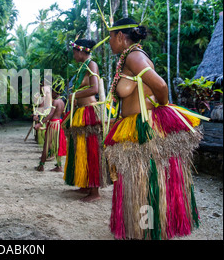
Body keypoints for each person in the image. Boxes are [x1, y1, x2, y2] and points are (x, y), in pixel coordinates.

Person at [103, 18, 207, 240]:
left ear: (120, 37)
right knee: (139, 183)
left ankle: (146, 232)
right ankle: (144, 230)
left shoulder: (134, 56)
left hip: (144, 128)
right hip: (135, 126)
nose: (109, 42)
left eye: (110, 37)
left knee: (145, 185)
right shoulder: (129, 57)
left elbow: (160, 85)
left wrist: (163, 107)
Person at [63, 39, 108, 202]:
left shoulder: (92, 64)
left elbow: (94, 89)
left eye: (75, 51)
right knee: (81, 148)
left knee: (91, 148)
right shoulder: (83, 67)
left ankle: (95, 192)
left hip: (90, 113)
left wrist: (74, 95)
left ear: (81, 51)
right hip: (81, 112)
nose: (74, 55)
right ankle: (87, 184)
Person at [34, 76, 67, 172]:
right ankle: (59, 166)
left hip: (53, 124)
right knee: (57, 145)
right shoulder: (62, 102)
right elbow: (64, 114)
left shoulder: (55, 102)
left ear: (55, 92)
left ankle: (41, 165)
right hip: (59, 124)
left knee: (46, 146)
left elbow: (50, 114)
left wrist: (40, 123)